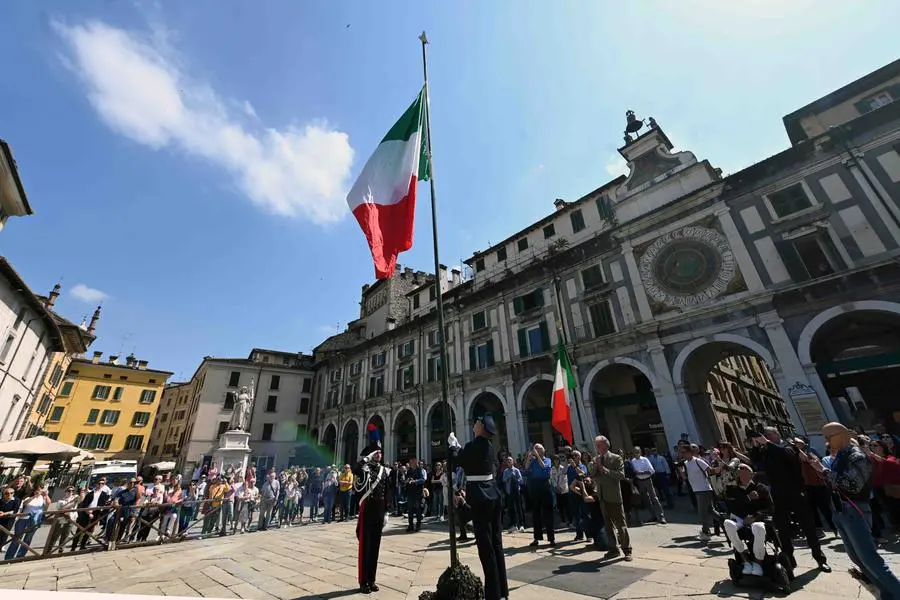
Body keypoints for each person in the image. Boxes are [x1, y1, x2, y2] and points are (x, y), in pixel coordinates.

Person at [815, 422, 900, 597]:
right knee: (858, 559)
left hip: (855, 511)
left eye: (828, 437)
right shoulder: (840, 455)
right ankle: (887, 594)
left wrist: (824, 472)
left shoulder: (857, 455)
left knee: (870, 559)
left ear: (841, 434)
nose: (826, 441)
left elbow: (853, 485)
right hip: (841, 511)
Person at [748, 428, 830, 572]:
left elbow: (788, 456)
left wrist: (766, 442)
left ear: (776, 434)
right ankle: (789, 558)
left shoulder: (788, 445)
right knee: (782, 527)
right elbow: (754, 460)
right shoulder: (765, 450)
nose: (765, 437)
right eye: (764, 435)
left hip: (796, 490)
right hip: (778, 493)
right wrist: (756, 444)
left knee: (808, 525)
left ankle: (819, 557)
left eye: (767, 434)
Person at [448, 414, 508, 600]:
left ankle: (493, 593)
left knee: (485, 546)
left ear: (481, 427)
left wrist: (452, 447)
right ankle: (502, 590)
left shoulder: (474, 445)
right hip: (492, 493)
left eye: (476, 423)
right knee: (496, 543)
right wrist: (459, 448)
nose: (474, 424)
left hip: (480, 496)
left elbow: (458, 461)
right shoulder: (487, 446)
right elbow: (469, 458)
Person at [353, 423, 392, 594]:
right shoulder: (365, 469)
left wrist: (387, 512)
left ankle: (372, 579)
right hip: (367, 509)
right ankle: (363, 581)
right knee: (365, 547)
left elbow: (389, 492)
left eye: (380, 452)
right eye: (376, 452)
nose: (379, 454)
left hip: (379, 509)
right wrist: (366, 459)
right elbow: (355, 469)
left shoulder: (385, 471)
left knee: (375, 546)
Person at [722, 464, 774, 577]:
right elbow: (732, 507)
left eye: (745, 470)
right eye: (740, 471)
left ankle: (757, 563)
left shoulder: (761, 488)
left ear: (752, 474)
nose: (742, 473)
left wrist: (755, 517)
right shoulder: (733, 490)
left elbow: (770, 507)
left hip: (756, 519)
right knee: (728, 524)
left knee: (758, 527)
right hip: (740, 519)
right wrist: (748, 498)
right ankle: (745, 560)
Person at [592, 435, 632, 561]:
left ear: (606, 445)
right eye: (596, 445)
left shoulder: (616, 458)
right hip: (602, 496)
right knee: (608, 526)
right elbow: (592, 475)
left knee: (621, 525)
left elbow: (620, 475)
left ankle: (627, 549)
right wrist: (595, 467)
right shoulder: (595, 459)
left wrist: (604, 469)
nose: (597, 447)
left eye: (599, 445)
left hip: (614, 496)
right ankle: (613, 549)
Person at [524, 443, 555, 548]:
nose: (536, 450)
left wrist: (537, 456)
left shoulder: (547, 460)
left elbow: (544, 468)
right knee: (536, 513)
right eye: (535, 448)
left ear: (543, 450)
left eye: (539, 448)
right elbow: (526, 467)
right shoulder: (533, 461)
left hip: (545, 485)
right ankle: (536, 538)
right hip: (535, 486)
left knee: (548, 512)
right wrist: (529, 457)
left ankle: (551, 539)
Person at [630, 446, 667, 524]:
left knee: (654, 497)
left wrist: (643, 472)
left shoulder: (645, 459)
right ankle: (653, 515)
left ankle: (661, 516)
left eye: (637, 452)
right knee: (646, 499)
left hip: (647, 480)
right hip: (639, 481)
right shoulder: (632, 461)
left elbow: (652, 470)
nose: (636, 453)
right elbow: (633, 472)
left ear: (640, 452)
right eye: (634, 452)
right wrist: (636, 473)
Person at [404, 457, 427, 532]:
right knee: (410, 510)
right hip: (410, 492)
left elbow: (423, 479)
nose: (411, 464)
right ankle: (410, 525)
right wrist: (407, 481)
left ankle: (418, 525)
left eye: (412, 462)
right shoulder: (409, 470)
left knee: (418, 509)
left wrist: (415, 481)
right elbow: (406, 479)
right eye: (410, 462)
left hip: (417, 492)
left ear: (415, 462)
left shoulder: (419, 470)